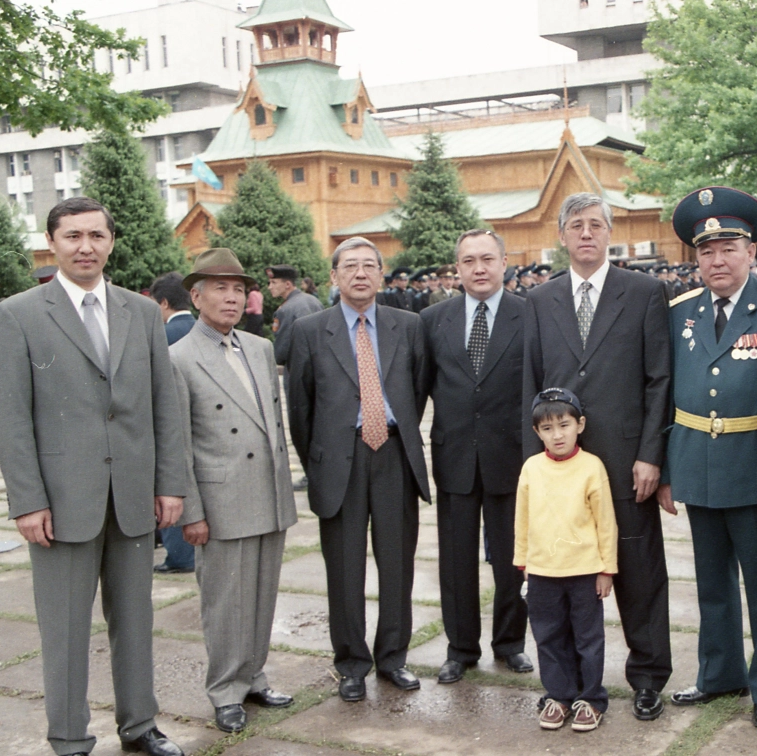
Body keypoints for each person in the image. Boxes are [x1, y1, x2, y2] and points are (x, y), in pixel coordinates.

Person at [0, 197, 189, 756]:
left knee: (136, 621)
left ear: (110, 242)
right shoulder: (19, 313)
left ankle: (141, 725)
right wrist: (27, 501)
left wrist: (170, 484)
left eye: (96, 236)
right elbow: (10, 418)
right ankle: (70, 736)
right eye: (73, 236)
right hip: (59, 502)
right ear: (52, 243)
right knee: (66, 630)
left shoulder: (142, 312)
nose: (86, 247)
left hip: (131, 497)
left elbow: (162, 406)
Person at [656, 187, 757, 726]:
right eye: (706, 251)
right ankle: (720, 674)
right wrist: (668, 472)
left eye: (728, 248)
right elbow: (669, 392)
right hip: (697, 463)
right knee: (711, 583)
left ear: (752, 253)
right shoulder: (679, 311)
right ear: (695, 258)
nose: (717, 261)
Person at [523, 192, 673, 722]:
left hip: (627, 463)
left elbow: (660, 381)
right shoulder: (540, 301)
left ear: (610, 233)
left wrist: (652, 455)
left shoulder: (645, 292)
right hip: (561, 469)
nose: (586, 234)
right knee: (562, 586)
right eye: (576, 225)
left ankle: (649, 676)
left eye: (596, 225)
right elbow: (532, 385)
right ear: (561, 236)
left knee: (639, 573)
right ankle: (566, 684)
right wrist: (535, 469)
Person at [287, 236, 430, 703]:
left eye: (370, 265)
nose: (360, 273)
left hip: (392, 454)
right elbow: (300, 410)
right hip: (339, 461)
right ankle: (350, 663)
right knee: (344, 570)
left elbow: (419, 386)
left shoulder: (408, 326)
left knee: (396, 565)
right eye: (350, 266)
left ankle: (393, 657)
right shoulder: (311, 330)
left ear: (382, 274)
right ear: (334, 277)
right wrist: (320, 459)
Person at [170, 248, 298, 733]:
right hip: (220, 501)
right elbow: (178, 444)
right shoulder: (178, 357)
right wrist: (192, 513)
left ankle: (253, 676)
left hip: (268, 492)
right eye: (219, 289)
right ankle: (225, 689)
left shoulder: (259, 347)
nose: (231, 297)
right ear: (196, 296)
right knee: (225, 602)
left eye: (238, 289)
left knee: (263, 595)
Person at [420, 230, 532, 684]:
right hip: (455, 460)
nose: (479, 269)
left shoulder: (531, 316)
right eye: (469, 261)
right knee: (456, 561)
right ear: (458, 268)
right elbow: (419, 388)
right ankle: (460, 648)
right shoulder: (432, 320)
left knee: (513, 560)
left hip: (513, 459)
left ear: (505, 263)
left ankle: (510, 644)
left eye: (487, 259)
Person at [515, 387, 617, 733]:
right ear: (536, 432)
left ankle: (590, 698)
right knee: (548, 635)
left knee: (588, 637)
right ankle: (558, 696)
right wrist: (524, 564)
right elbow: (522, 519)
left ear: (580, 424)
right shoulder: (531, 468)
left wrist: (607, 569)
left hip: (585, 571)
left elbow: (606, 522)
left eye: (564, 425)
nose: (557, 435)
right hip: (542, 571)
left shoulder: (591, 467)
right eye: (547, 428)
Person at [147, 271, 198, 575]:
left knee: (169, 489)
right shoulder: (203, 329)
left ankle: (178, 556)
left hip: (170, 426)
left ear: (163, 302)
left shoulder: (161, 336)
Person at [267, 264, 323, 368]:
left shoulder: (285, 309)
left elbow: (281, 351)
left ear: (287, 284)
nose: (269, 287)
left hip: (297, 370)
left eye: (274, 282)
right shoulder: (314, 301)